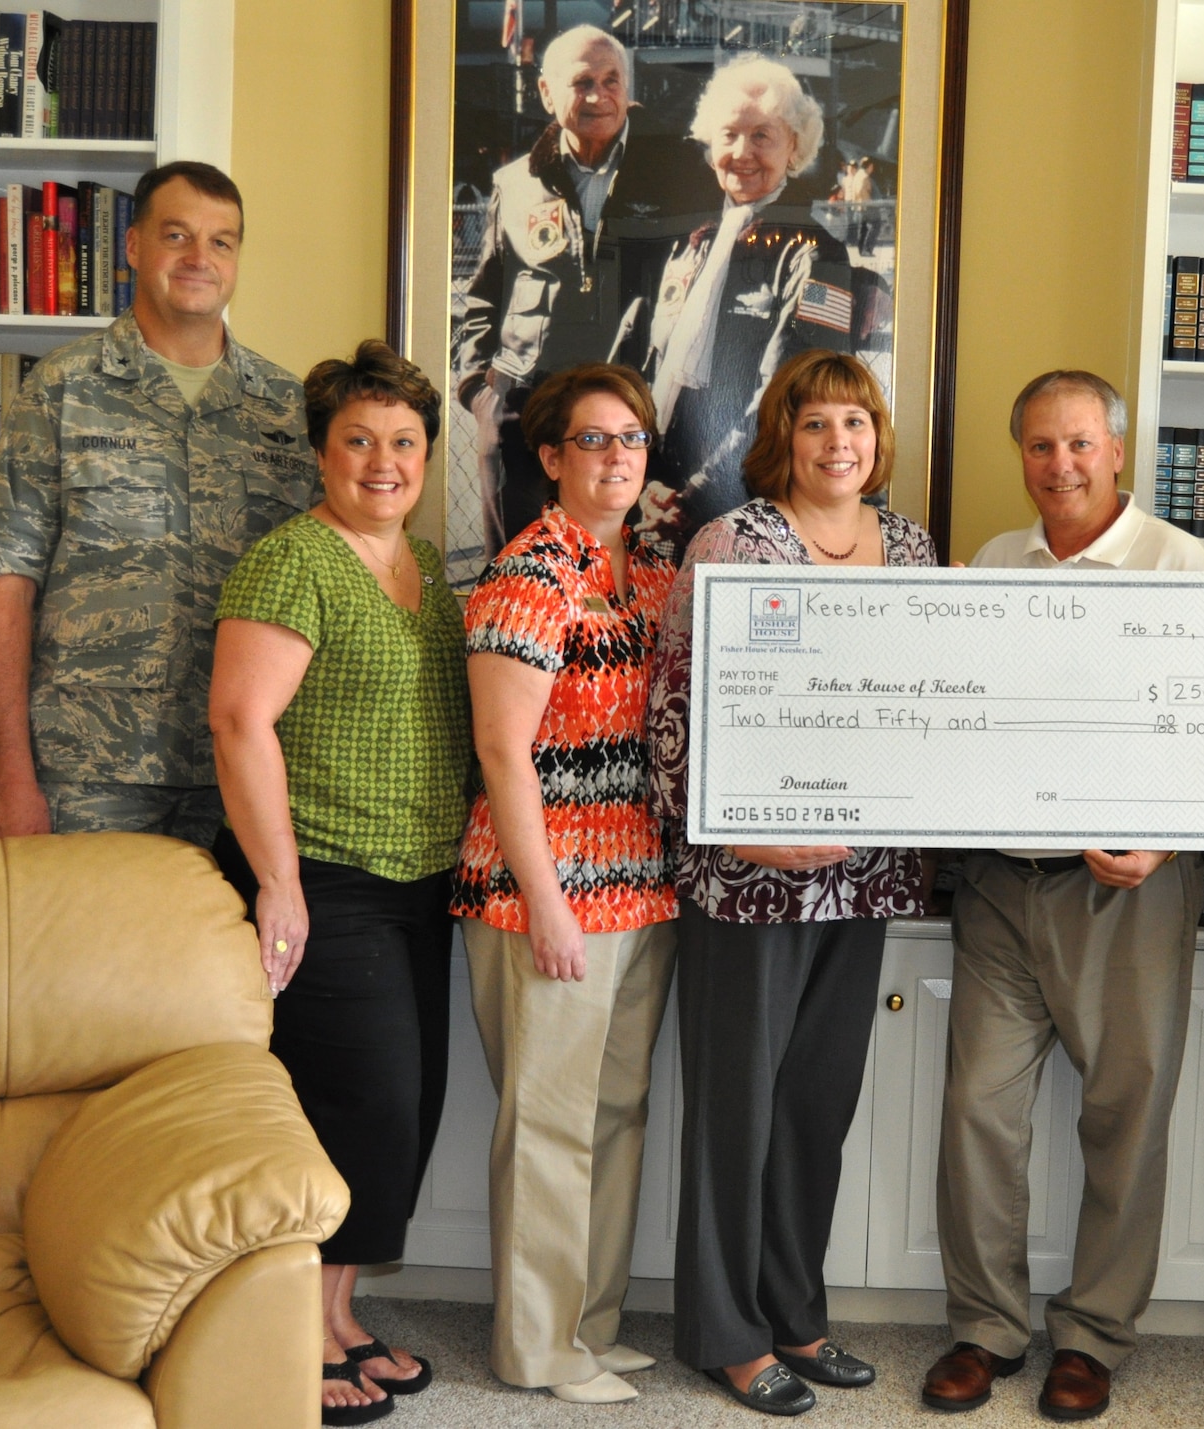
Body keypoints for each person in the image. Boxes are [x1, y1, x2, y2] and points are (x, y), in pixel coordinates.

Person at [919, 370, 1204, 1424]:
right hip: (1001, 881)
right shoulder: (993, 563)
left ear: (1117, 451)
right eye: (1040, 446)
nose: (1061, 465)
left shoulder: (1181, 565)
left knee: (1122, 1117)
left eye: (1080, 443)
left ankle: (1090, 1336)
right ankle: (983, 1327)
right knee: (974, 1110)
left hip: (1128, 892)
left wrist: (1162, 843)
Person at [647, 349, 933, 1417]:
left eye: (854, 424)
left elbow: (929, 701)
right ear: (783, 436)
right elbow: (672, 712)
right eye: (815, 425)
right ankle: (724, 1332)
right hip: (746, 886)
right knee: (737, 1111)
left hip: (861, 882)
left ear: (876, 437)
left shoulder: (909, 548)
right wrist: (741, 841)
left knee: (815, 1106)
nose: (837, 444)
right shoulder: (734, 541)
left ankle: (795, 1312)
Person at [207, 342, 468, 1427]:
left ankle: (342, 1313)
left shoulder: (430, 569)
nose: (382, 460)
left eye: (402, 441)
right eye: (357, 439)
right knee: (356, 1105)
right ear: (321, 452)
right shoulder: (292, 561)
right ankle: (298, 1337)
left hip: (420, 879)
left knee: (402, 1113)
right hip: (322, 876)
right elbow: (238, 720)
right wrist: (277, 882)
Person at [452, 361, 679, 1405]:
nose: (616, 457)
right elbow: (501, 752)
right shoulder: (530, 572)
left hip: (639, 888)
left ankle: (590, 1321)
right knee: (546, 1125)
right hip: (541, 892)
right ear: (550, 457)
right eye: (593, 440)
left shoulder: (643, 572)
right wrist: (546, 902)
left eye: (631, 439)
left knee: (616, 1111)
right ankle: (536, 1348)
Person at [0, 160, 314, 843]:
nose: (199, 258)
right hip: (91, 771)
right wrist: (12, 777)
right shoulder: (62, 389)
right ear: (132, 247)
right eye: (177, 235)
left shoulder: (287, 407)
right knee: (89, 953)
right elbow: (4, 587)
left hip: (243, 764)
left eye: (221, 241)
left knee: (233, 954)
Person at [453, 24, 708, 555]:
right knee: (520, 573)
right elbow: (483, 297)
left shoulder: (678, 172)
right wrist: (480, 392)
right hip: (523, 415)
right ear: (547, 93)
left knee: (624, 573)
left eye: (612, 80)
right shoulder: (514, 183)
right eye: (582, 82)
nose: (599, 95)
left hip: (628, 417)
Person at [635, 53, 864, 559]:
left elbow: (792, 396)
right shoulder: (690, 242)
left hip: (745, 497)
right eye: (729, 135)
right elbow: (650, 369)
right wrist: (641, 477)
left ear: (794, 148)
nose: (742, 151)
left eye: (762, 135)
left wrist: (694, 494)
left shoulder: (817, 252)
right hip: (658, 488)